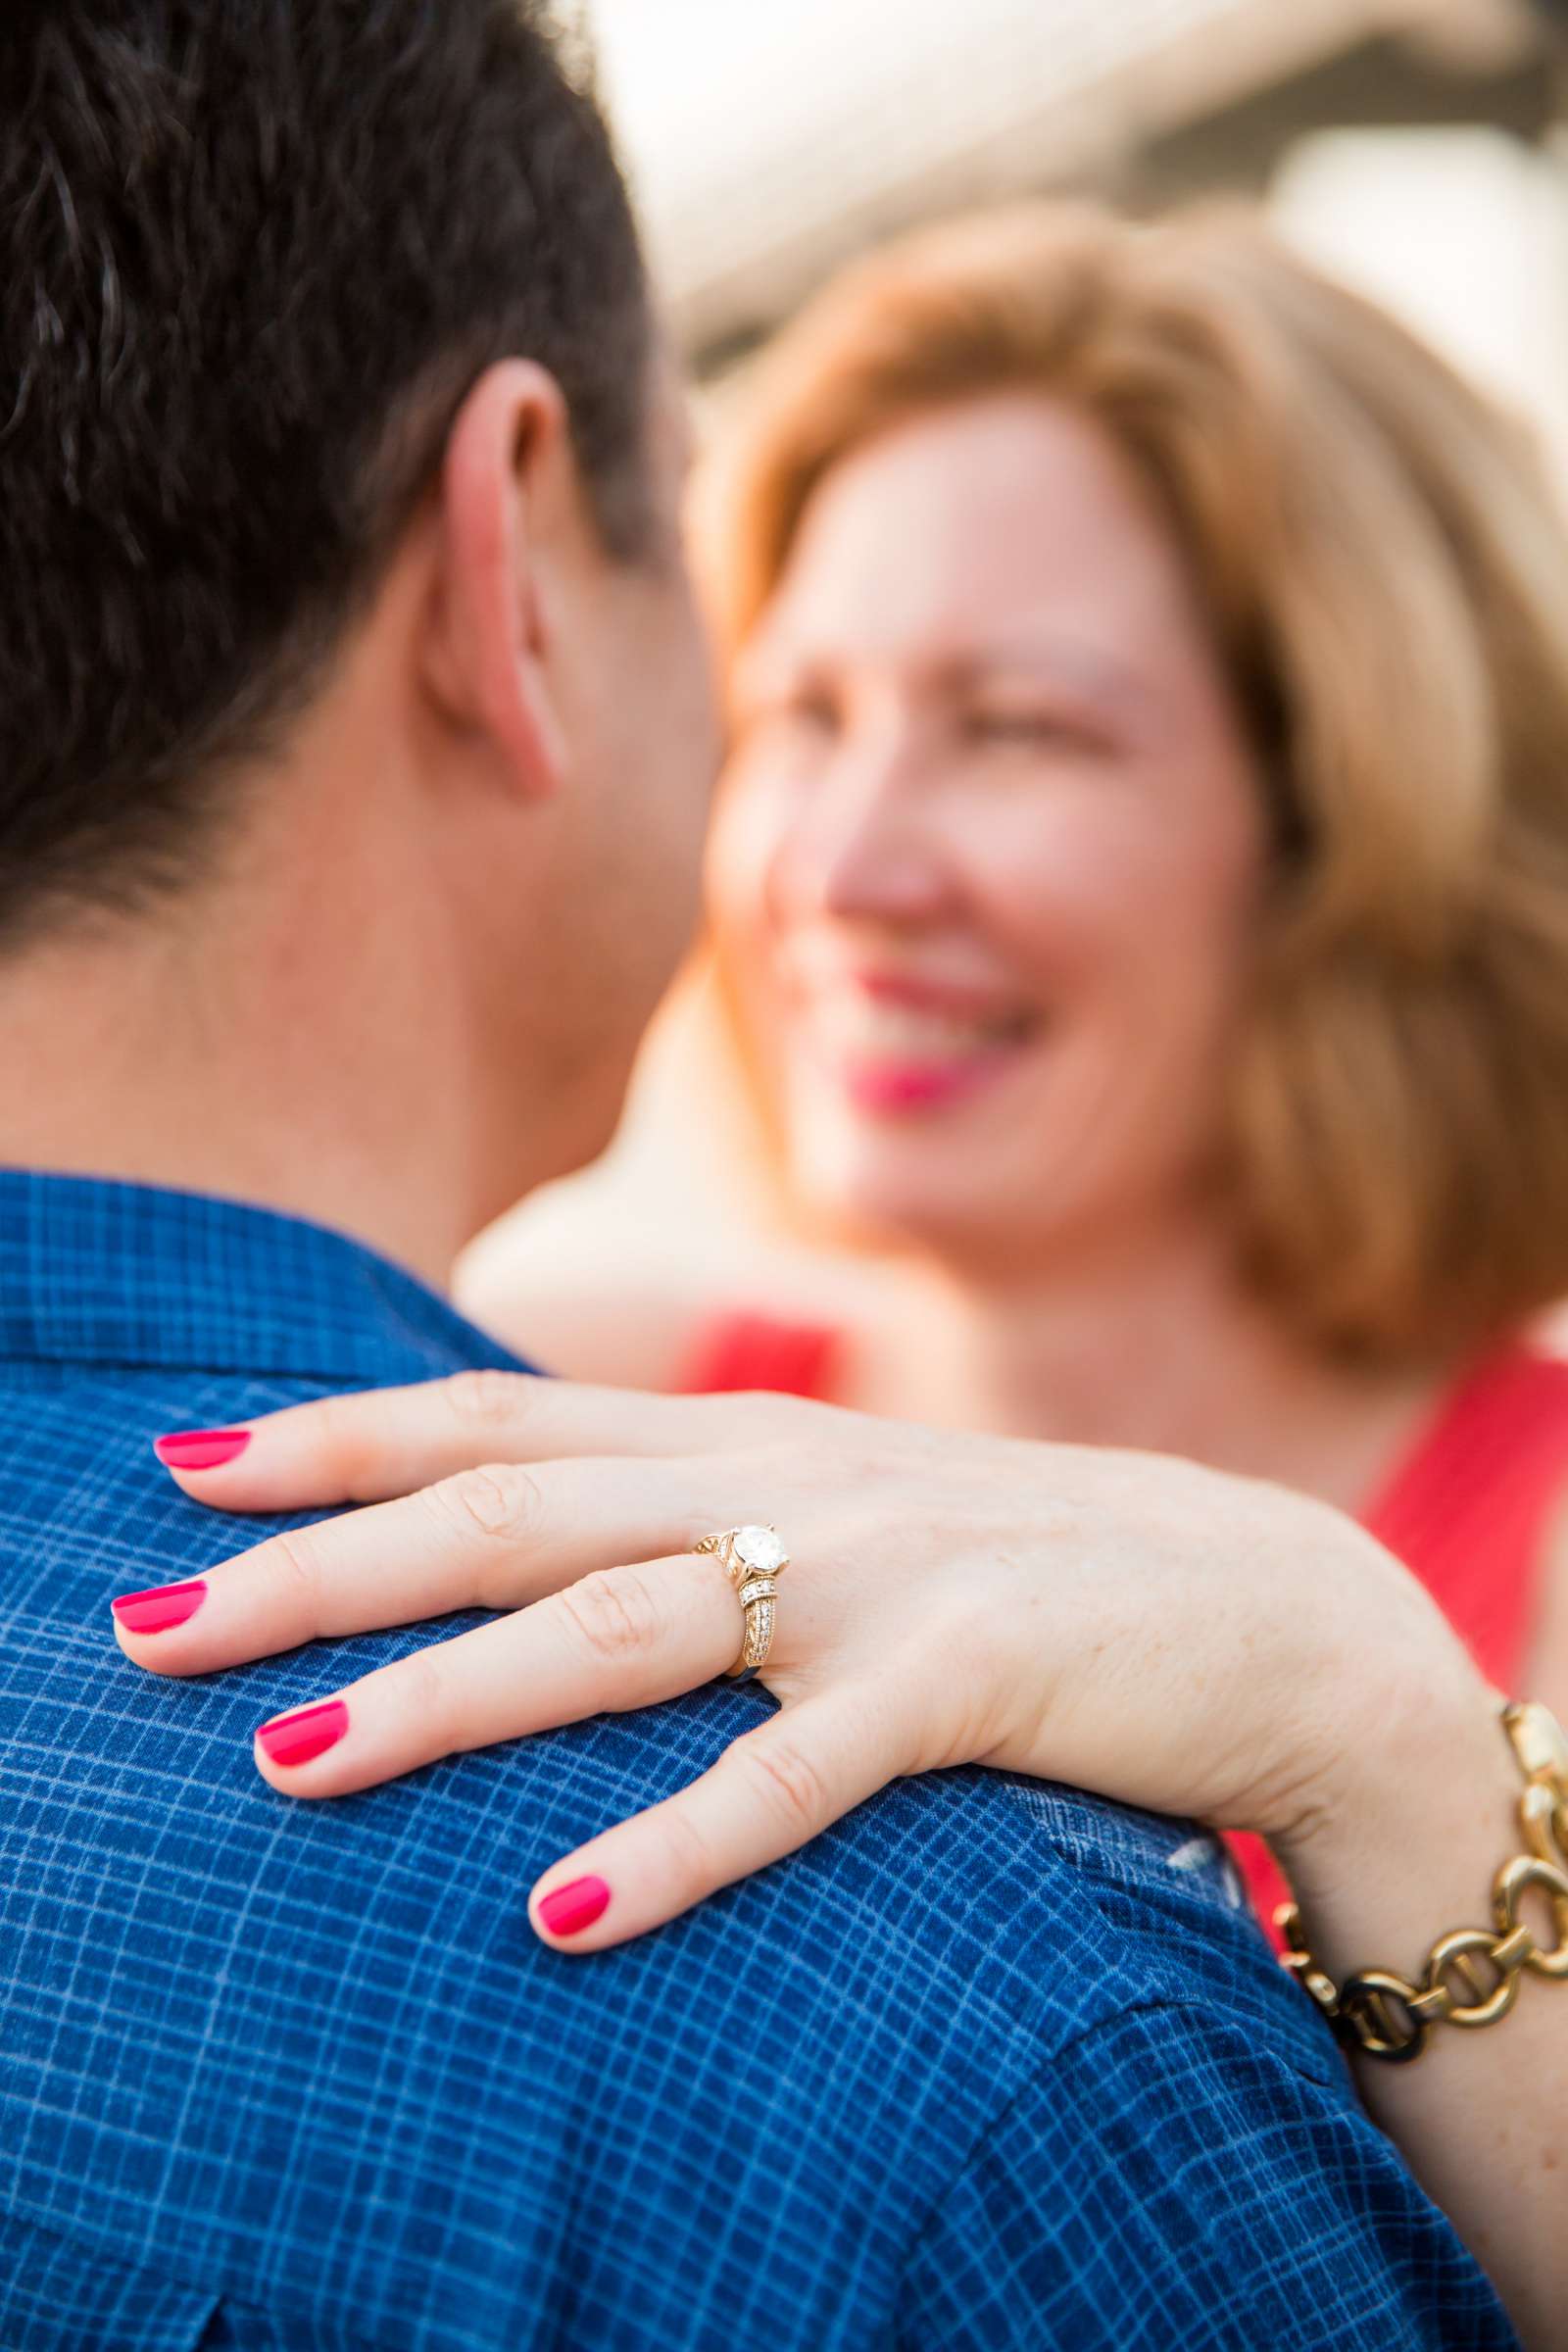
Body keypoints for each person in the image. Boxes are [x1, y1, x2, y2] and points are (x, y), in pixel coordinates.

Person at [0, 7, 1520, 2348]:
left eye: (1015, 729)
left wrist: (1371, 1722)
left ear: (1343, 819)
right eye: (799, 709)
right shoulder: (574, 1392)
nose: (841, 860)